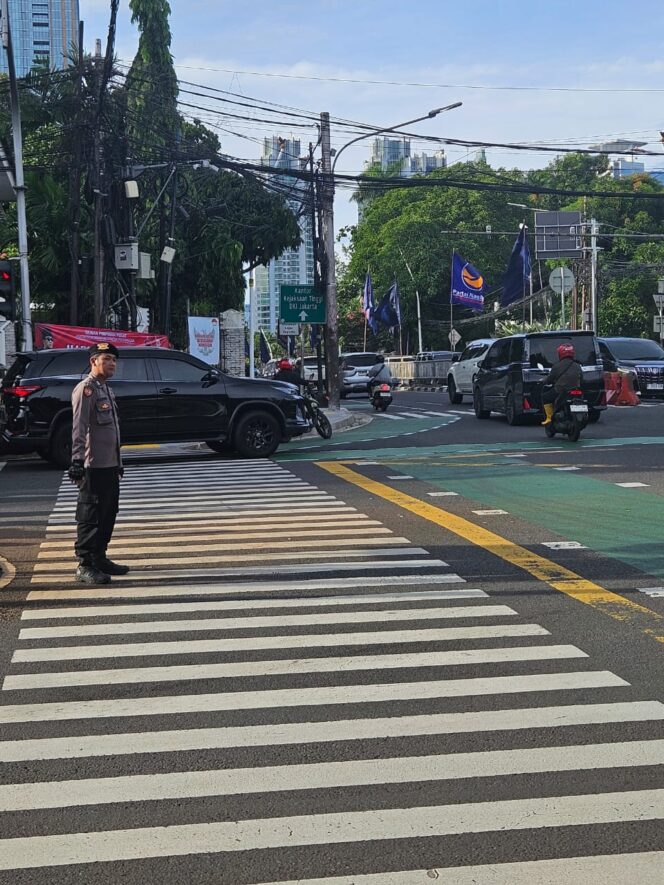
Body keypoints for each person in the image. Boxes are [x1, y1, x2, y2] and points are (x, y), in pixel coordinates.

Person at [68, 342, 129, 584]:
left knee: (108, 512)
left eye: (114, 359)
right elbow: (79, 427)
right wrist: (76, 461)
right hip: (92, 466)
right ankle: (84, 564)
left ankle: (100, 557)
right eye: (106, 359)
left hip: (109, 465)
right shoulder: (86, 390)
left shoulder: (107, 389)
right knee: (90, 515)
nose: (112, 363)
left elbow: (112, 430)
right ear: (93, 361)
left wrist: (118, 461)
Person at [541, 343, 583, 425]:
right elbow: (582, 378)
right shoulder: (578, 366)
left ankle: (549, 418)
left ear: (560, 354)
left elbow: (550, 378)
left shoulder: (557, 366)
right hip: (576, 389)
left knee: (545, 397)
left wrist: (543, 381)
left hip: (560, 390)